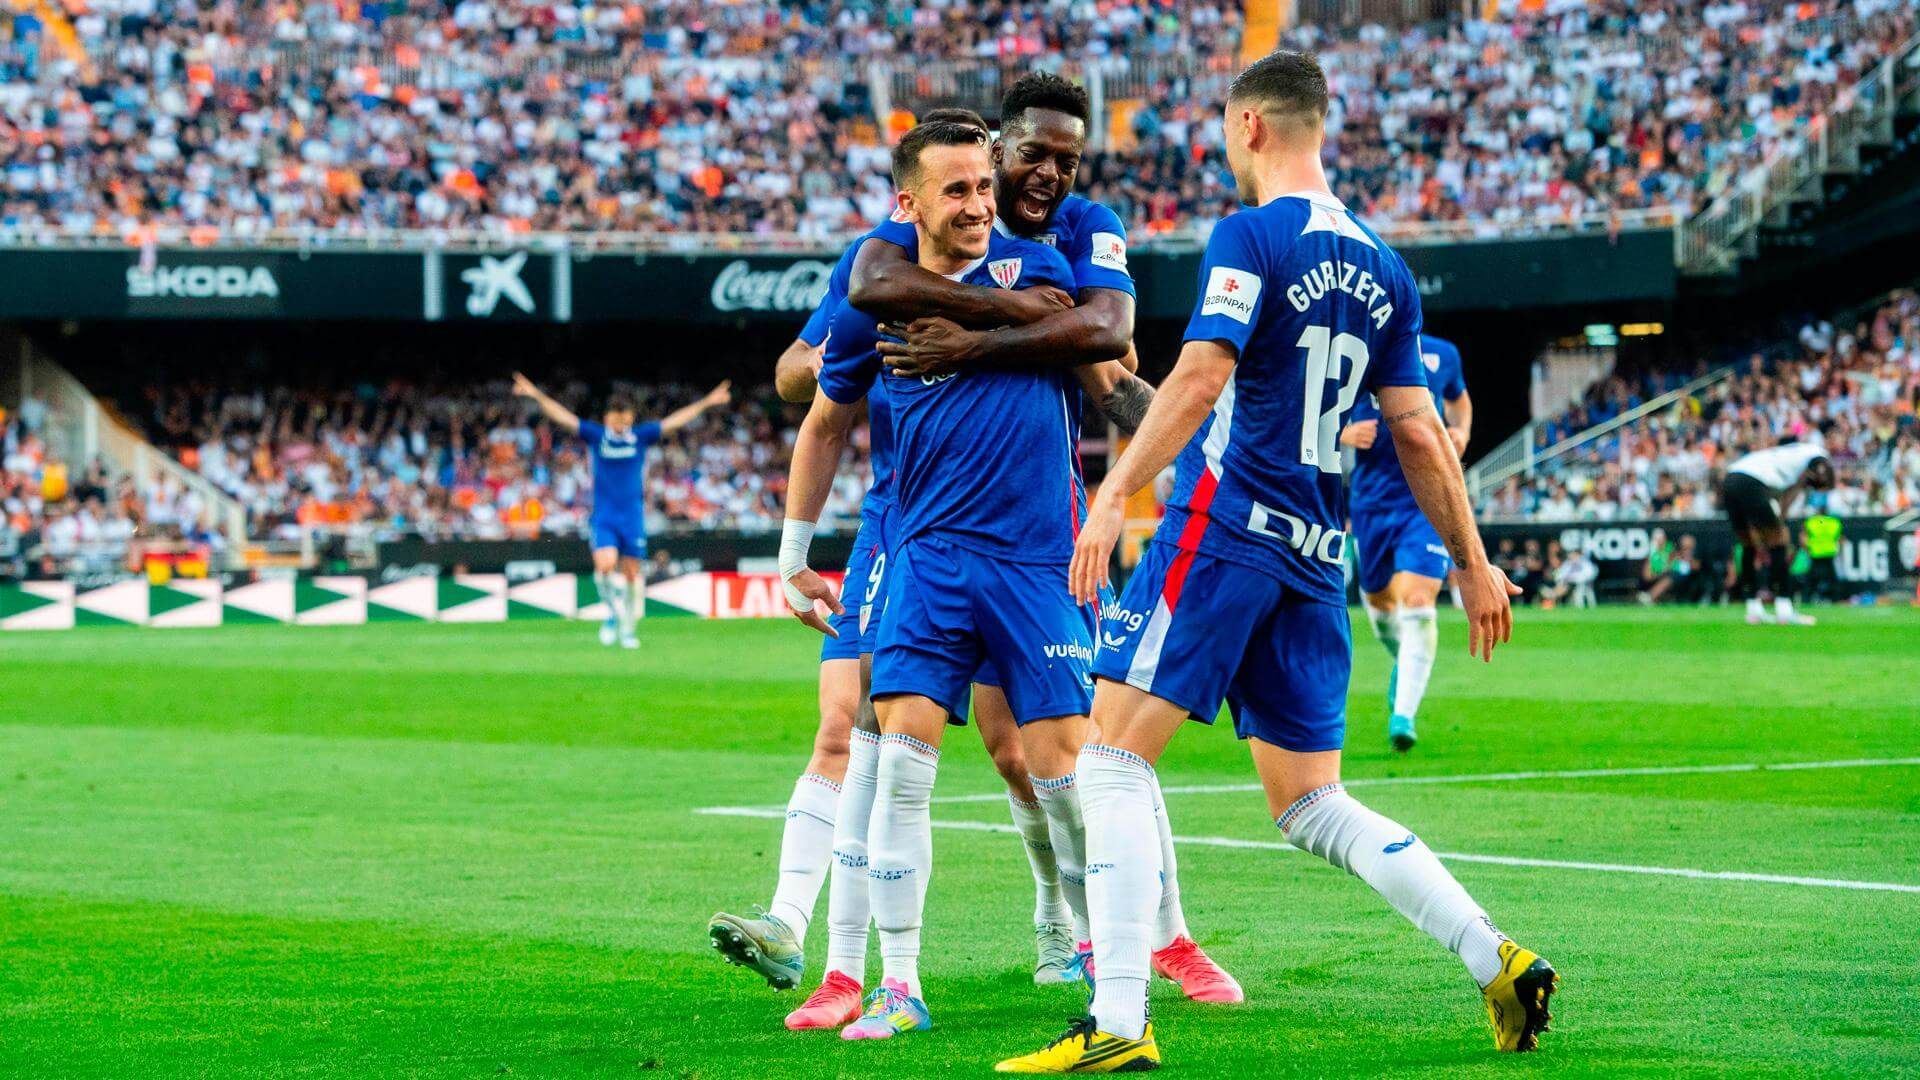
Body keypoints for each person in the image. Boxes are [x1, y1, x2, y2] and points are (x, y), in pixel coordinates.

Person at [1001, 52, 1555, 1073]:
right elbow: (1422, 432)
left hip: (1224, 532)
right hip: (1316, 553)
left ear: (1250, 126)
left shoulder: (1251, 235)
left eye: (1225, 129)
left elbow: (1200, 376)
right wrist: (1474, 562)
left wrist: (1114, 495)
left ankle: (1116, 1020)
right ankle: (1497, 956)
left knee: (1109, 759)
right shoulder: (1385, 267)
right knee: (1311, 803)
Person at [710, 108, 1101, 1028]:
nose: (979, 204)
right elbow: (816, 406)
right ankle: (875, 976)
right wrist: (794, 555)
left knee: (1049, 770)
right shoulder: (870, 286)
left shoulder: (1042, 268)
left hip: (1035, 560)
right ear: (908, 203)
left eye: (983, 185)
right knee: (879, 752)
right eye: (956, 189)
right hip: (919, 552)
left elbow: (1104, 352)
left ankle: (1099, 946)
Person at [857, 71, 1240, 1005]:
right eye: (1032, 155)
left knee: (1087, 752)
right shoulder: (905, 238)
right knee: (1002, 755)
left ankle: (1163, 935)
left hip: (1042, 538)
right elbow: (861, 293)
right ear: (994, 148)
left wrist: (1190, 457)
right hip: (936, 539)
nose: (1048, 177)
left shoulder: (1072, 235)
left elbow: (1107, 341)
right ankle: (1043, 924)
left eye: (1067, 161)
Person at [510, 374, 730, 648]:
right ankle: (613, 615)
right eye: (615, 418)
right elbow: (563, 417)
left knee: (631, 576)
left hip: (632, 517)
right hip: (604, 516)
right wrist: (536, 395)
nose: (619, 423)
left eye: (624, 418)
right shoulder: (597, 436)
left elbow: (675, 421)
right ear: (607, 418)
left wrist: (707, 402)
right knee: (604, 567)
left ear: (630, 418)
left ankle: (627, 628)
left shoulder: (640, 437)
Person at [1339, 332, 1470, 751]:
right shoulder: (1354, 347)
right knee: (1379, 605)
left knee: (1417, 600)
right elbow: (1309, 406)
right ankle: (1407, 662)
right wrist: (1344, 432)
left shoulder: (1443, 353)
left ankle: (1403, 714)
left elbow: (1460, 400)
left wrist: (1461, 431)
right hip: (1371, 503)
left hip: (1425, 499)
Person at [1720, 429, 1839, 625]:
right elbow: (1818, 470)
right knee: (1779, 542)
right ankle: (1784, 608)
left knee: (1749, 544)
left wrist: (1779, 521)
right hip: (1752, 482)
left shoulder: (1790, 461)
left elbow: (1786, 498)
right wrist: (1779, 528)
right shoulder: (1817, 455)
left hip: (1731, 479)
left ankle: (1753, 610)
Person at [1800, 499, 1843, 603]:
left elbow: (1803, 538)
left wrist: (1807, 549)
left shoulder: (1811, 522)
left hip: (1815, 553)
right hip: (1829, 553)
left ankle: (1806, 598)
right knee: (1832, 578)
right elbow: (1840, 539)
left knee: (1811, 578)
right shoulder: (1834, 522)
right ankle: (1836, 599)